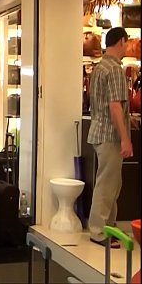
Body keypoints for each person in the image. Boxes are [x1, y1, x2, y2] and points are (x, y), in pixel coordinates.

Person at [87, 27, 134, 249]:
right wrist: (125, 138)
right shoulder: (114, 69)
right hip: (110, 135)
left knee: (112, 183)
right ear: (122, 41)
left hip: (98, 130)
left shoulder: (99, 68)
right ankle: (98, 231)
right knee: (107, 184)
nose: (127, 48)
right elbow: (115, 105)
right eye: (127, 43)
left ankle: (109, 227)